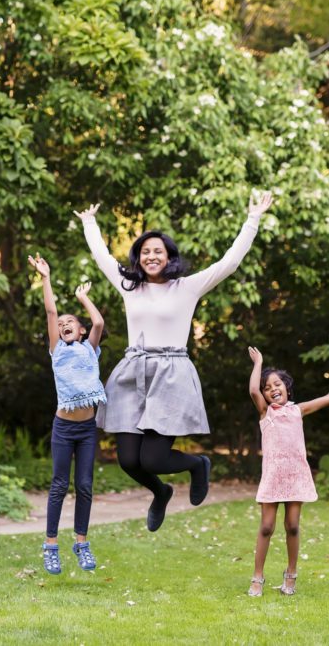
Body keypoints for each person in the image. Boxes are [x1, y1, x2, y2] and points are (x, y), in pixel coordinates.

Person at [75, 192, 272, 532]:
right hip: (132, 372)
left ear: (169, 257)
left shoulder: (187, 288)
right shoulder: (129, 286)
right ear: (138, 258)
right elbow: (103, 257)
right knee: (128, 460)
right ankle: (161, 492)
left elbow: (229, 263)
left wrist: (252, 219)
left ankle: (197, 465)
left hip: (170, 373)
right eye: (145, 252)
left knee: (153, 458)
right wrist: (90, 223)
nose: (151, 256)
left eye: (158, 251)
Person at [246, 346, 329, 597]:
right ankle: (257, 577)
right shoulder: (265, 413)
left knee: (293, 526)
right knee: (266, 527)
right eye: (267, 387)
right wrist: (258, 362)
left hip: (295, 477)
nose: (273, 389)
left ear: (287, 387)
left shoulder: (298, 410)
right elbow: (252, 390)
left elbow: (328, 398)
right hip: (273, 477)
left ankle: (291, 574)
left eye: (277, 384)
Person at [28, 253, 107, 575]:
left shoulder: (90, 348)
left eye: (69, 322)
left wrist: (83, 298)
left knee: (84, 485)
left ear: (81, 330)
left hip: (87, 429)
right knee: (60, 485)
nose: (63, 326)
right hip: (63, 428)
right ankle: (50, 546)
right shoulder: (57, 350)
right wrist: (45, 277)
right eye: (60, 325)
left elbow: (99, 323)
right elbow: (50, 311)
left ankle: (81, 543)